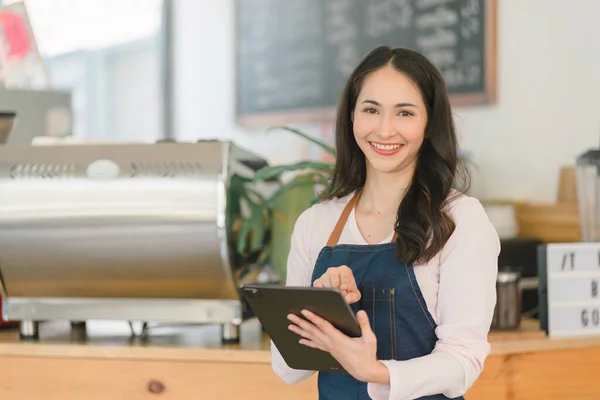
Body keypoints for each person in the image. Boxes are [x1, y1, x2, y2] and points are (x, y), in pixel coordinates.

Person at [270, 45, 500, 400]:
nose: (385, 129)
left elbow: (463, 360)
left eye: (405, 113)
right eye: (371, 110)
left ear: (428, 124)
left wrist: (374, 372)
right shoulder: (316, 223)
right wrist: (324, 309)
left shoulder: (459, 220)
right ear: (352, 117)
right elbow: (287, 369)